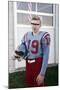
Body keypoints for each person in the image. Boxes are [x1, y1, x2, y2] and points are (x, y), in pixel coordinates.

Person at [13, 15, 50, 87]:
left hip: (38, 63)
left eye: (37, 24)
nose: (34, 26)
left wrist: (42, 74)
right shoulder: (27, 35)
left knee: (38, 84)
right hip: (28, 64)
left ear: (40, 25)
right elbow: (25, 48)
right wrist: (20, 55)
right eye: (33, 23)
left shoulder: (44, 36)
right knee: (29, 84)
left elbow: (46, 55)